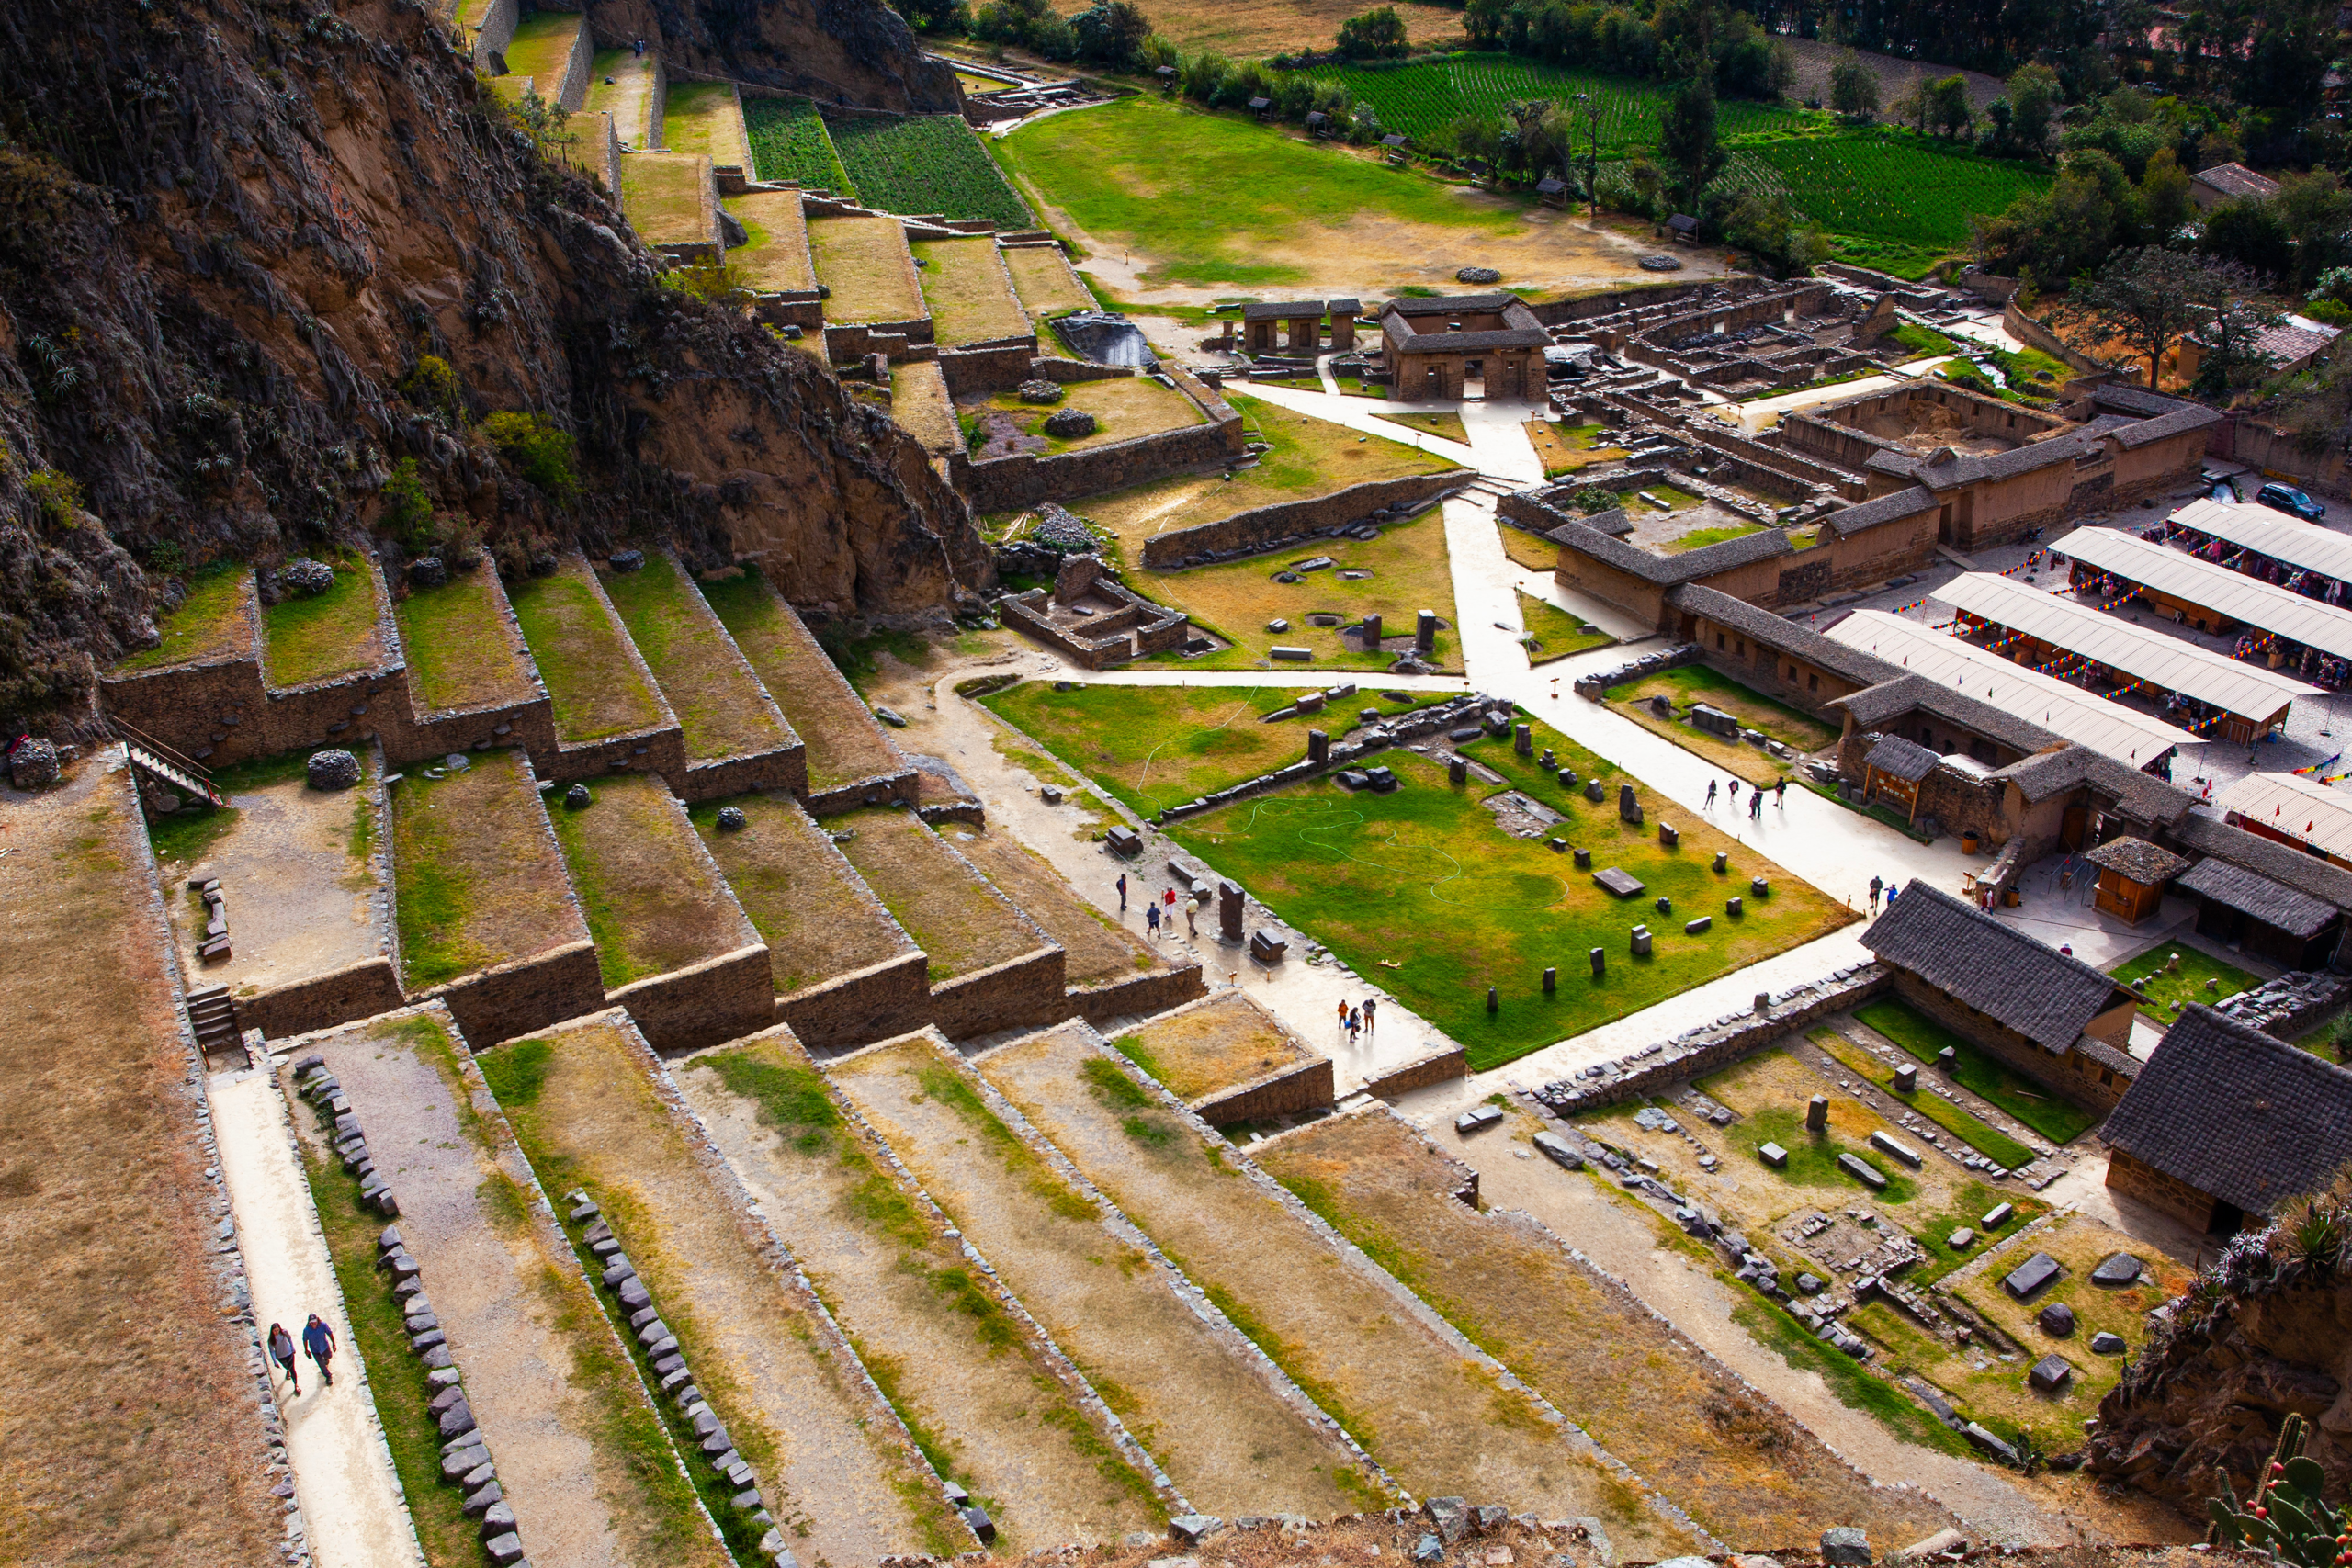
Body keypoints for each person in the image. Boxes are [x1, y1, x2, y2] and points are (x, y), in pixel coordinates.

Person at [303, 1314, 337, 1388]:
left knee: (329, 1356)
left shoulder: (323, 1325)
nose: (313, 1323)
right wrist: (306, 1350)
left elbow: (330, 1333)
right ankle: (328, 1376)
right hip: (315, 1350)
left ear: (317, 1320)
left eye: (314, 1321)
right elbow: (305, 1340)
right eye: (311, 1322)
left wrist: (333, 1344)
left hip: (324, 1346)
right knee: (321, 1365)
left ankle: (326, 1358)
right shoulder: (306, 1330)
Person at [268, 1321, 300, 1396]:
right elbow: (272, 1351)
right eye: (274, 1331)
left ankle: (296, 1385)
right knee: (287, 1367)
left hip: (289, 1354)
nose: (276, 1332)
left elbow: (289, 1339)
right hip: (280, 1357)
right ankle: (287, 1370)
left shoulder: (284, 1332)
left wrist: (292, 1347)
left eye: (277, 1330)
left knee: (292, 1369)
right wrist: (275, 1361)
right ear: (272, 1331)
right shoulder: (271, 1340)